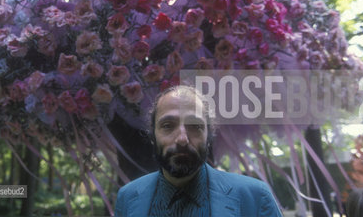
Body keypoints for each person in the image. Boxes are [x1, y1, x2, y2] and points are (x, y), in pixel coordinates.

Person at [114, 85, 282, 216]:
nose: (182, 139)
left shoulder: (255, 198)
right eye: (168, 126)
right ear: (153, 135)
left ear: (209, 135)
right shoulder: (128, 197)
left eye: (195, 126)